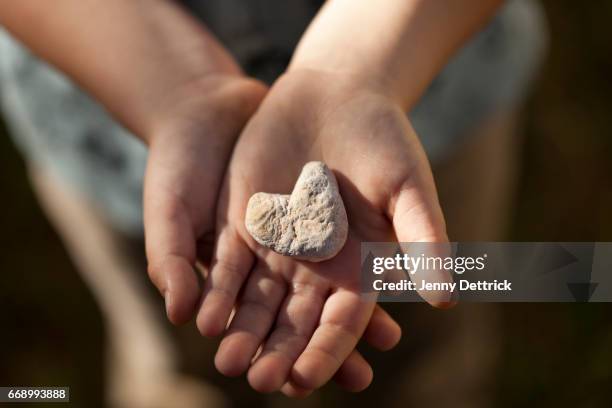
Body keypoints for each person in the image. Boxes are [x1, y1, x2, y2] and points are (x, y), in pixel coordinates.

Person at [0, 0, 547, 406]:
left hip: (427, 75)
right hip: (113, 101)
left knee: (431, 338)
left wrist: (360, 69)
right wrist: (172, 88)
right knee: (183, 360)